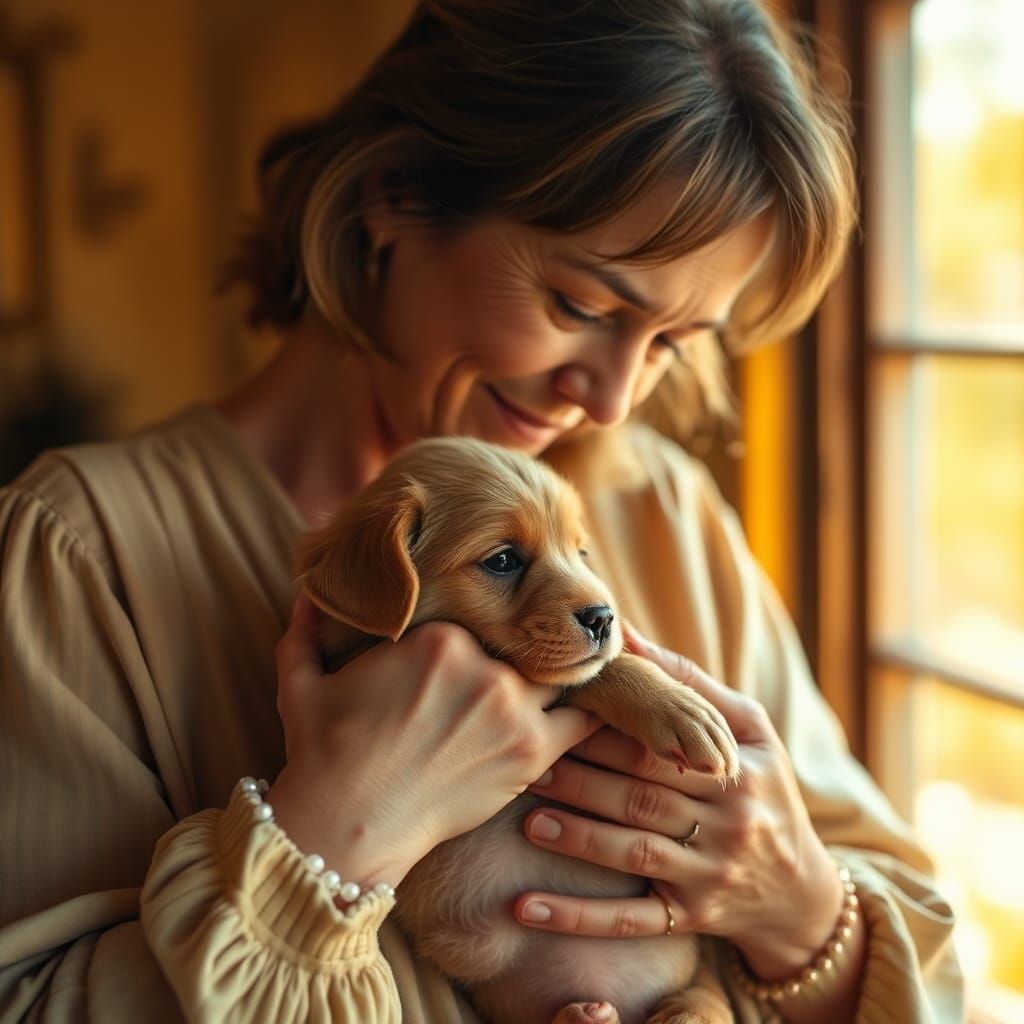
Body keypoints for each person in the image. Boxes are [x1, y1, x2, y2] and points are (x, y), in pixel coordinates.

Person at [0, 0, 962, 1021]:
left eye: (673, 342)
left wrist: (794, 905)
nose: (613, 400)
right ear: (396, 195)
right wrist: (330, 834)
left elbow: (927, 972)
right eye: (582, 306)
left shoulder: (661, 507)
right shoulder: (78, 555)